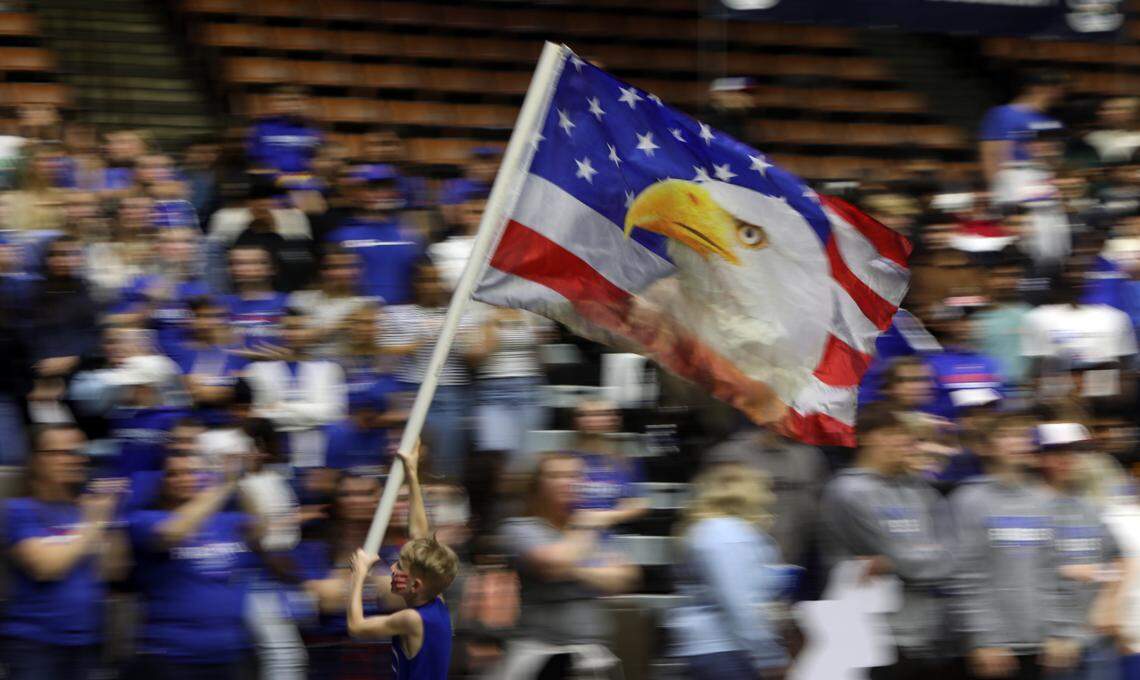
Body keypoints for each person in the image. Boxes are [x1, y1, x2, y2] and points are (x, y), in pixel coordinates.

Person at [820, 403, 955, 679]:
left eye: (909, 435)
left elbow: (953, 555)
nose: (905, 441)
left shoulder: (920, 489)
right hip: (875, 636)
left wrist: (903, 560)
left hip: (928, 632)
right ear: (866, 437)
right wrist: (919, 556)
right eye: (894, 433)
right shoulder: (848, 492)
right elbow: (904, 559)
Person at [496, 451, 640, 679]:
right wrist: (585, 529)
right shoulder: (520, 528)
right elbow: (552, 563)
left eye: (575, 475)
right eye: (556, 475)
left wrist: (572, 567)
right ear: (537, 484)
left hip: (591, 654)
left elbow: (625, 578)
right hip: (537, 654)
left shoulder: (592, 528)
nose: (568, 482)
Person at [2, 425, 128, 680]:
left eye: (77, 452)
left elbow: (116, 568)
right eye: (61, 452)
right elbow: (46, 567)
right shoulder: (19, 510)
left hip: (87, 640)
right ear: (37, 460)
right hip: (35, 643)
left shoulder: (87, 510)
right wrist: (95, 523)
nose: (73, 460)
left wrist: (112, 519)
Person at [951, 415, 1071, 680]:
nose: (1018, 442)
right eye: (1007, 435)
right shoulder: (969, 500)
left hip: (1041, 645)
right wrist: (984, 639)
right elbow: (966, 577)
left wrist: (1059, 631)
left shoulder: (1046, 501)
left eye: (1023, 436)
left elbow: (1054, 572)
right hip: (993, 648)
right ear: (987, 446)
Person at [127, 448, 256, 677]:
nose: (184, 479)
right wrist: (223, 487)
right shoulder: (144, 520)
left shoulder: (225, 520)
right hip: (171, 656)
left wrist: (240, 481)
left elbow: (261, 527)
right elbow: (172, 533)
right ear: (160, 481)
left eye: (191, 472)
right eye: (173, 474)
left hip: (229, 652)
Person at [348, 441, 461, 680]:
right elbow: (419, 535)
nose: (392, 568)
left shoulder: (411, 619)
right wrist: (411, 473)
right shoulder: (436, 600)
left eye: (399, 568)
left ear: (416, 585)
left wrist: (358, 576)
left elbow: (356, 626)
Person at [667, 462, 789, 679]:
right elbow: (738, 600)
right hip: (726, 650)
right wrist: (768, 654)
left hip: (720, 649)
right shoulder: (726, 533)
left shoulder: (716, 530)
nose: (770, 497)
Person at [1036, 419, 1125, 680]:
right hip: (1050, 642)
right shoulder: (1028, 506)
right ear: (1040, 457)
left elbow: (1116, 559)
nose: (1067, 459)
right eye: (1057, 452)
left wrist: (1108, 601)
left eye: (1075, 452)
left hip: (1096, 638)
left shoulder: (1089, 507)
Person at [380, 262, 480, 481]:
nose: (430, 286)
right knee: (408, 455)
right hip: (410, 390)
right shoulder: (397, 314)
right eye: (424, 280)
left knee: (447, 458)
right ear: (414, 283)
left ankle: (446, 500)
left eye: (435, 280)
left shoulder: (461, 315)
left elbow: (473, 354)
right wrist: (424, 338)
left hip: (450, 391)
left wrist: (454, 337)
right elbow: (384, 353)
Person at [705, 423, 827, 569]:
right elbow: (714, 499)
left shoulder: (809, 456)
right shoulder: (731, 454)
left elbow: (818, 500)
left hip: (800, 550)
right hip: (744, 551)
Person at [245, 307, 347, 469]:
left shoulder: (329, 369)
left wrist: (283, 406)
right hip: (275, 452)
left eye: (300, 328)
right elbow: (258, 416)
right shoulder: (258, 370)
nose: (294, 334)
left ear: (312, 332)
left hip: (319, 451)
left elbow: (333, 413)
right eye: (288, 328)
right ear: (280, 332)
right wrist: (311, 412)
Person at [325, 163, 422, 305]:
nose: (381, 194)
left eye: (387, 188)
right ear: (358, 192)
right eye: (372, 188)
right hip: (359, 314)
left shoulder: (411, 234)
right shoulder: (341, 236)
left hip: (404, 313)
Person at [569, 399, 649, 532]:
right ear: (575, 421)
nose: (592, 419)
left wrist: (603, 517)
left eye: (601, 413)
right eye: (584, 414)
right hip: (569, 535)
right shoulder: (564, 460)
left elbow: (638, 503)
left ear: (615, 419)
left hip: (611, 538)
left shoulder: (628, 463)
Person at [979, 70, 1066, 186]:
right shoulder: (1003, 114)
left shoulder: (1053, 122)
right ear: (1034, 88)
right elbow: (991, 155)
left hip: (1045, 184)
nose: (1057, 91)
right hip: (1015, 183)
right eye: (1053, 86)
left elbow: (1056, 160)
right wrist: (999, 190)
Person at [288, 244, 370, 360]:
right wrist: (340, 324)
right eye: (335, 267)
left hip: (351, 369)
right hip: (311, 367)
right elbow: (295, 340)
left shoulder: (367, 303)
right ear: (322, 271)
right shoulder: (300, 299)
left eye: (350, 266)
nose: (343, 273)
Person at [221, 244, 290, 349]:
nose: (244, 268)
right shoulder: (219, 304)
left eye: (253, 262)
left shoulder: (290, 303)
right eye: (237, 263)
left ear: (273, 268)